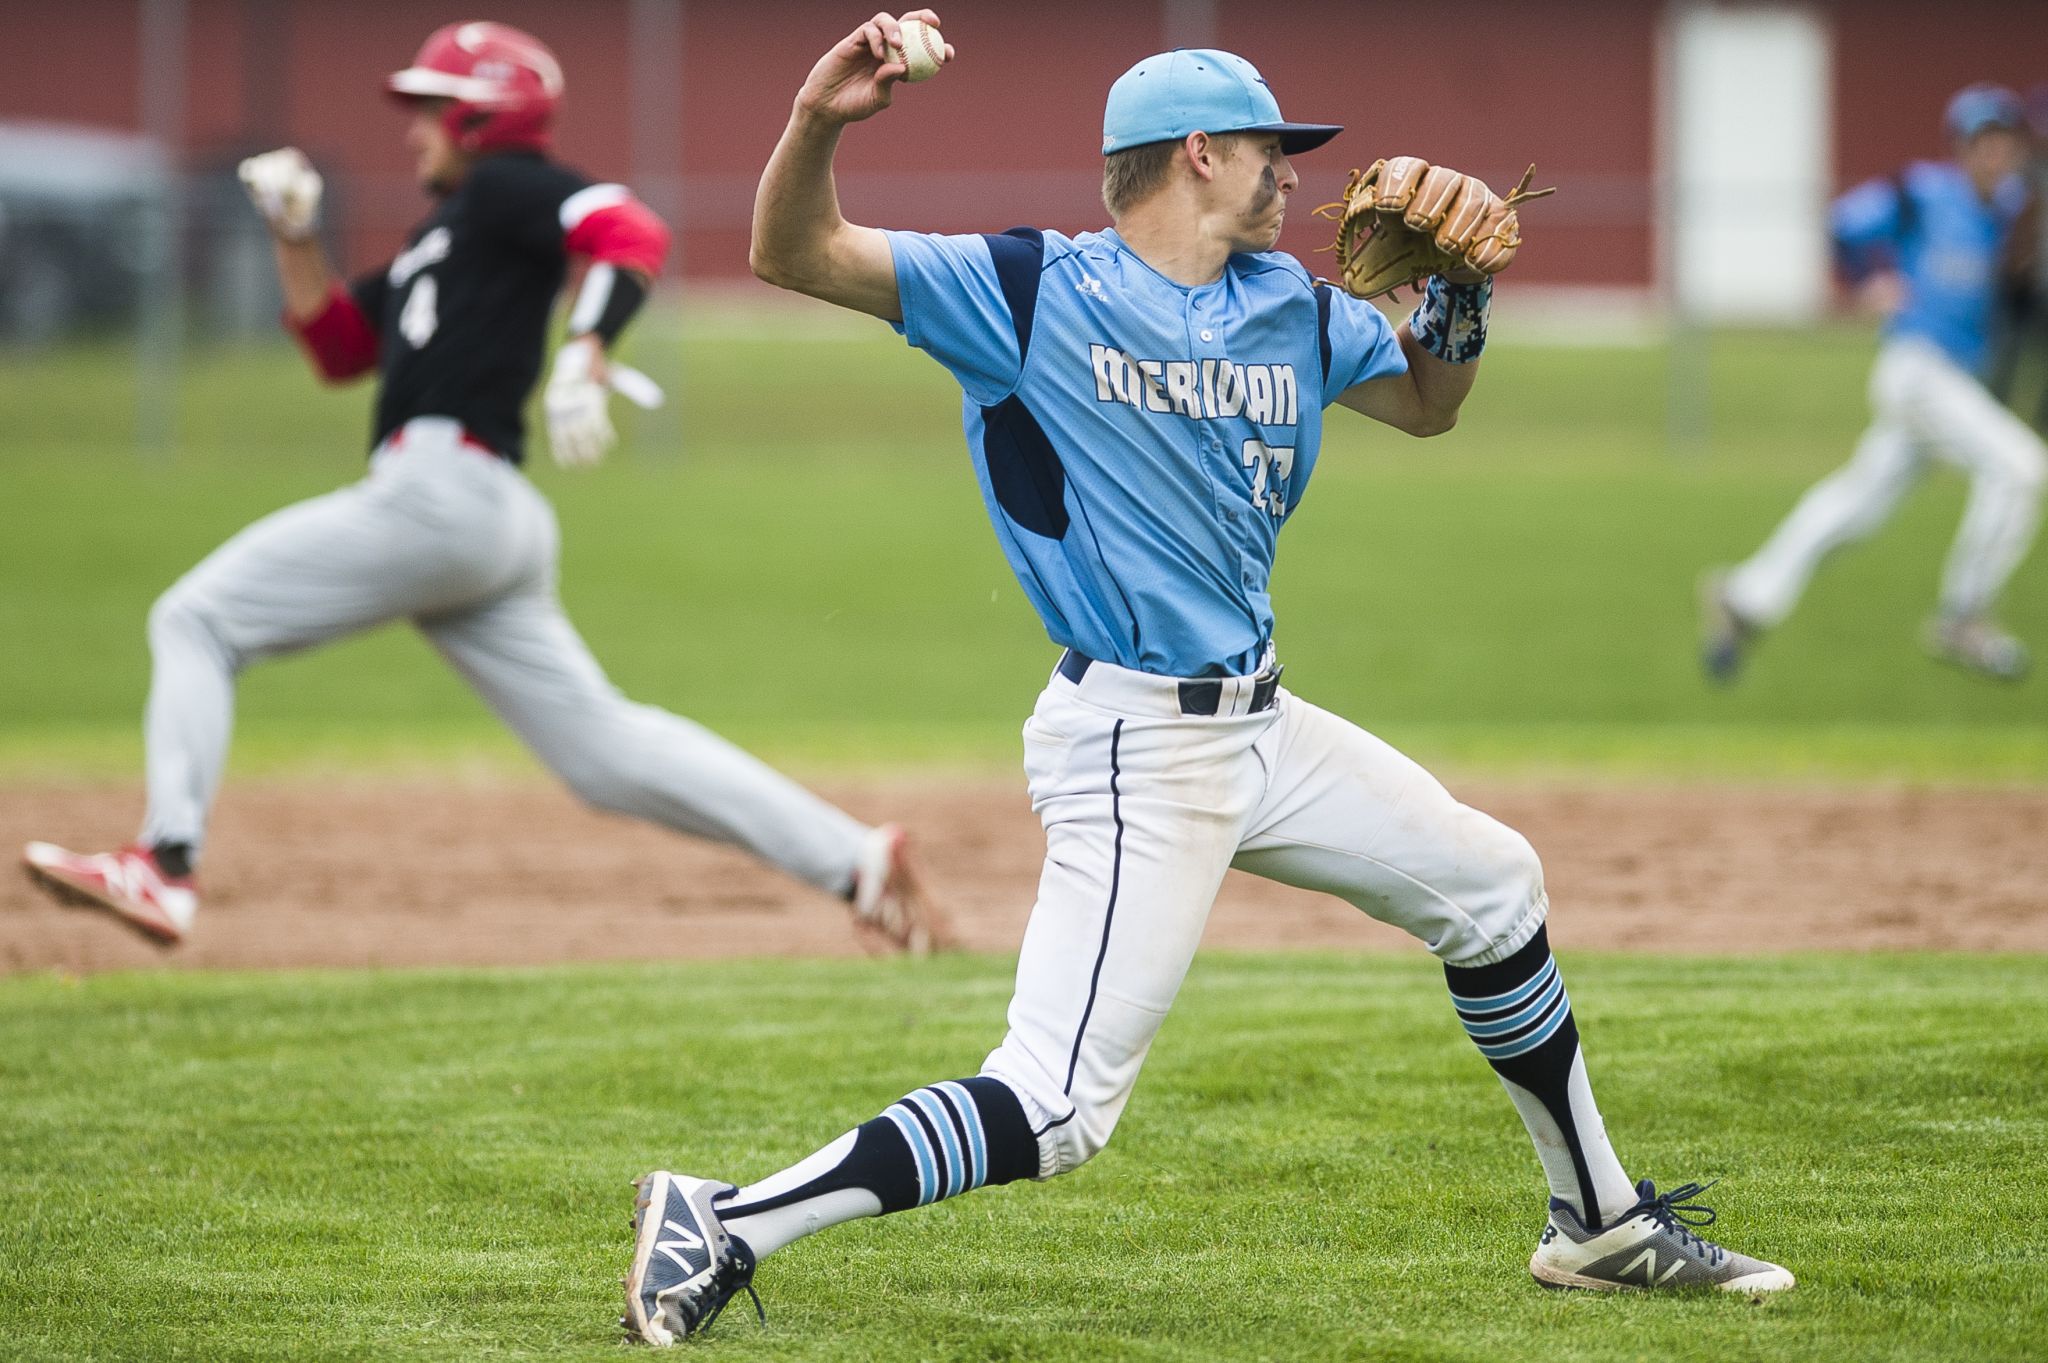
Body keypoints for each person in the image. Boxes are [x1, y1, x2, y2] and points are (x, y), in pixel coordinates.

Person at [619, 13, 1792, 1345]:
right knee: (1058, 1103)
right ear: (1195, 156)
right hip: (1135, 741)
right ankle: (722, 1218)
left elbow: (1429, 400)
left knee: (1493, 884)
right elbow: (792, 251)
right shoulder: (1026, 289)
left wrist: (1459, 290)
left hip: (1263, 724)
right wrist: (821, 119)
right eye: (1272, 152)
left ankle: (1600, 1224)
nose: (1299, 176)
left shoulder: (1292, 307)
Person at [20, 21, 947, 956]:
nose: (413, 130)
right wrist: (296, 237)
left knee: (196, 620)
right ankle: (856, 861)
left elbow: (630, 232)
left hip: (439, 496)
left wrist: (587, 349)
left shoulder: (506, 185)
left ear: (476, 116)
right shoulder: (449, 231)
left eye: (428, 108)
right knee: (605, 755)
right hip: (482, 516)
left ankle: (164, 864)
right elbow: (341, 348)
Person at [1701, 83, 2046, 683]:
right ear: (1960, 148)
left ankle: (1746, 595)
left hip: (1957, 383)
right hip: (1917, 372)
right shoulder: (1922, 192)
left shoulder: (2018, 206)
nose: (1994, 155)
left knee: (1857, 502)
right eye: (1981, 143)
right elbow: (1842, 226)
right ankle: (1964, 614)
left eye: (2004, 143)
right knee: (2021, 468)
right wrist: (1871, 278)